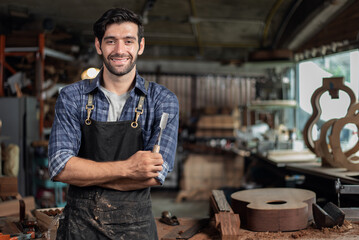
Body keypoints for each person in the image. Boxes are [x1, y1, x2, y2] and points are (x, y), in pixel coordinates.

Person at [48, 7, 179, 240]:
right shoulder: (71, 97)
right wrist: (128, 169)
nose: (120, 50)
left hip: (136, 227)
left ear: (140, 45)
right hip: (80, 228)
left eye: (128, 41)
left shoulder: (162, 100)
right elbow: (61, 167)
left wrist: (87, 175)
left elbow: (154, 175)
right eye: (111, 41)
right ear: (99, 45)